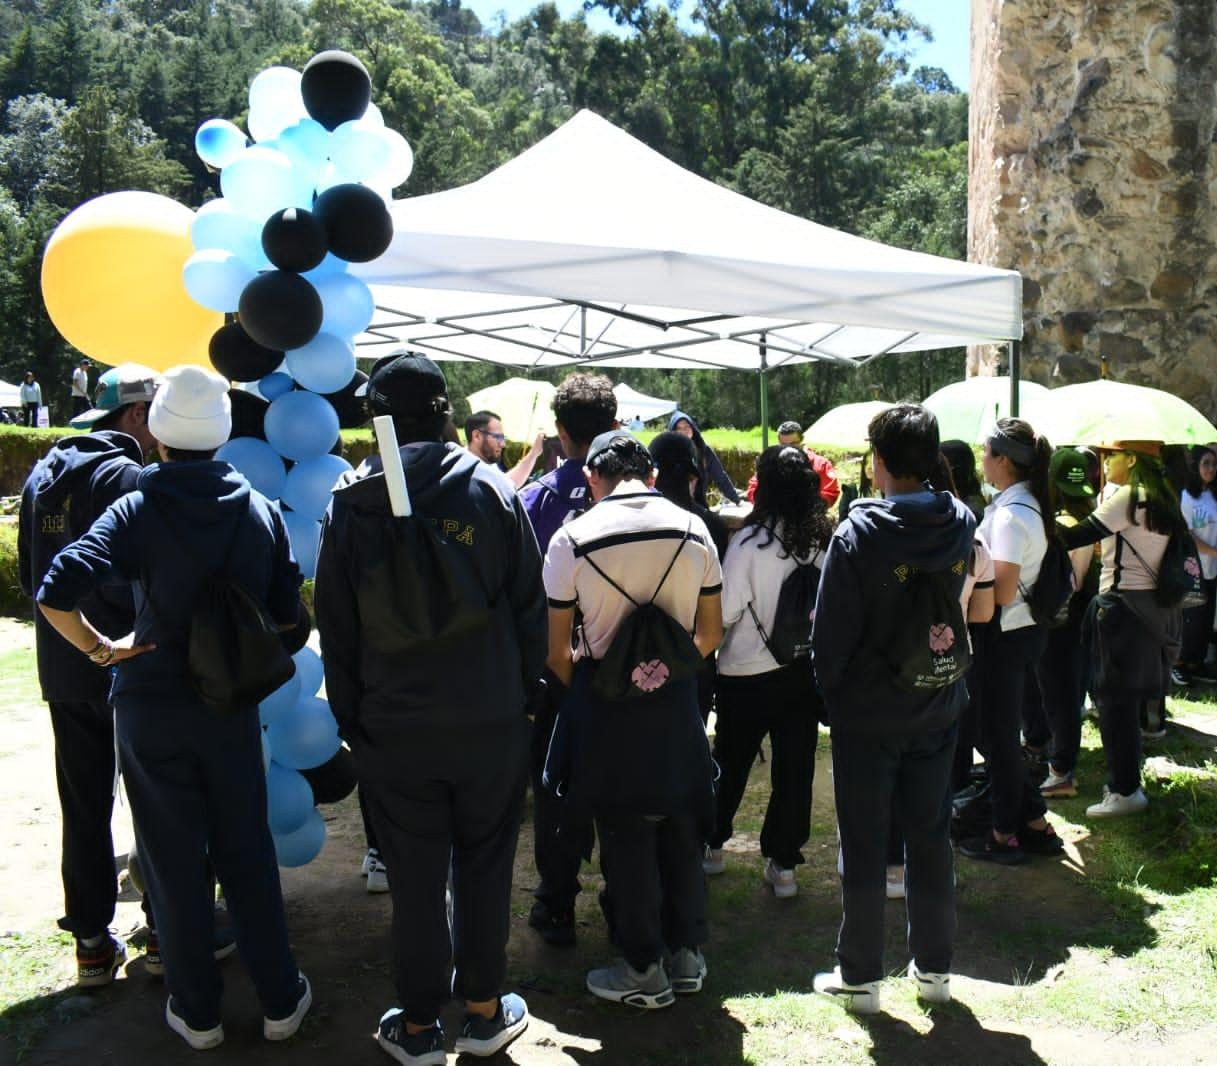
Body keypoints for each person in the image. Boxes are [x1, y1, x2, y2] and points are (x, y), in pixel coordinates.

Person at [36, 365, 311, 1050]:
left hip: (150, 706)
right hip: (228, 708)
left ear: (158, 434)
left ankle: (197, 1011)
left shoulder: (136, 506)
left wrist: (102, 650)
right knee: (246, 852)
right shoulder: (258, 509)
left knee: (171, 859)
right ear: (222, 436)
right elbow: (288, 618)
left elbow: (55, 590)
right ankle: (280, 1000)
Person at [315, 351, 544, 1063]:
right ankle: (482, 1009)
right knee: (485, 865)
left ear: (374, 418)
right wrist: (521, 703)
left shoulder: (351, 501)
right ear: (445, 412)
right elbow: (528, 610)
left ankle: (418, 1025)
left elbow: (336, 626)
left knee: (413, 879)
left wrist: (355, 719)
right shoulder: (491, 490)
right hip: (487, 719)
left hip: (393, 725)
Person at [543, 430, 723, 1009]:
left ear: (592, 478)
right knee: (682, 820)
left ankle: (643, 968)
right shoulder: (694, 528)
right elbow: (710, 633)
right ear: (650, 476)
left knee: (624, 831)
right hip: (677, 697)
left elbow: (556, 653)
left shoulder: (571, 539)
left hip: (606, 702)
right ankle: (687, 954)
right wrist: (663, 673)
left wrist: (604, 685)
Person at [811, 404, 973, 1014]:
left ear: (878, 460)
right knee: (931, 838)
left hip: (870, 713)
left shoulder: (858, 533)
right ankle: (935, 971)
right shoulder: (959, 519)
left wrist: (834, 699)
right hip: (937, 699)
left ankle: (861, 978)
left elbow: (830, 636)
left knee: (864, 843)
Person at [17, 364, 159, 986]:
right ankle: (164, 931)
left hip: (64, 666)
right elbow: (142, 577)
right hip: (125, 661)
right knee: (154, 802)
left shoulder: (41, 476)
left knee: (83, 804)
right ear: (135, 414)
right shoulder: (127, 475)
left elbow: (32, 579)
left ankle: (92, 943)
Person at [518, 372, 618, 947]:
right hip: (626, 671)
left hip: (554, 671)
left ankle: (556, 903)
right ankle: (622, 900)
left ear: (559, 431)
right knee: (623, 786)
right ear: (614, 425)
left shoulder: (532, 502)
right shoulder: (645, 505)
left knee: (555, 786)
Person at [705, 445, 831, 897]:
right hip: (802, 669)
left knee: (731, 763)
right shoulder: (824, 539)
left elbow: (726, 612)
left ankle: (712, 846)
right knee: (795, 770)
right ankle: (785, 865)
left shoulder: (749, 542)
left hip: (745, 673)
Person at [1058, 440, 1185, 816]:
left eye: (1111, 455)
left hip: (1121, 609)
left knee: (1114, 703)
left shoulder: (1128, 496)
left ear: (1130, 459)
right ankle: (1128, 783)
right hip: (1152, 608)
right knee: (1127, 701)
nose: (1105, 462)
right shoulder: (1164, 496)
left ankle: (1124, 790)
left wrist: (1050, 516)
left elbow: (1074, 536)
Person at [958, 417, 1064, 865]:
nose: (982, 459)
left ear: (1003, 460)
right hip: (1021, 632)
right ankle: (1035, 822)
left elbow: (1000, 592)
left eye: (986, 452)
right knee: (996, 733)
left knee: (995, 737)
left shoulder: (1009, 516)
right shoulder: (1026, 505)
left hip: (1003, 634)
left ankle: (1004, 834)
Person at [648, 430, 728, 724]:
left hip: (642, 650)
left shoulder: (638, 525)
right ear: (692, 476)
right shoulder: (711, 525)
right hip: (697, 652)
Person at [1037, 447, 1101, 799]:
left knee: (1060, 696)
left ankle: (1062, 771)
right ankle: (1059, 761)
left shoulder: (1069, 525)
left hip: (1064, 622)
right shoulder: (1087, 518)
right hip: (1080, 620)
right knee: (1068, 693)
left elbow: (1072, 581)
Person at [1175, 446, 1217, 686]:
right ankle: (1178, 664)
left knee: (1205, 618)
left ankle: (1196, 663)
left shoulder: (1213, 495)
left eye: (1214, 464)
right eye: (1206, 463)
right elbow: (1187, 534)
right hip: (1193, 566)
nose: (1211, 468)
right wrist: (1212, 551)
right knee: (1190, 616)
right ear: (1195, 466)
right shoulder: (1186, 497)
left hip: (1213, 567)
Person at [744, 421, 841, 509]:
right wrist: (767, 504)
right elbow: (754, 488)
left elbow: (830, 493)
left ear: (802, 440)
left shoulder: (820, 464)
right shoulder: (770, 463)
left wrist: (807, 507)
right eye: (783, 445)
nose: (788, 448)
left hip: (808, 517)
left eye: (793, 444)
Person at [669, 410, 741, 506]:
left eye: (687, 426)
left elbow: (720, 476)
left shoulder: (703, 451)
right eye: (679, 428)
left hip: (698, 505)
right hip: (673, 506)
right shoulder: (666, 452)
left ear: (692, 428)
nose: (684, 431)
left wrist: (737, 500)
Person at [465, 409, 545, 491]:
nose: (503, 444)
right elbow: (505, 486)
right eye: (497, 437)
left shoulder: (484, 461)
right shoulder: (468, 472)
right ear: (477, 436)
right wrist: (533, 453)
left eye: (503, 437)